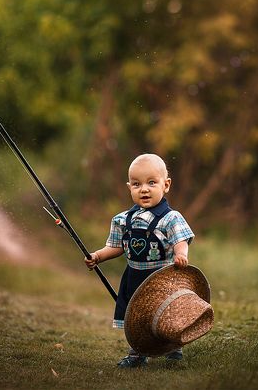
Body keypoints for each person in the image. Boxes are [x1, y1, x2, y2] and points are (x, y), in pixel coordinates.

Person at [85, 153, 195, 368]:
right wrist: (97, 256)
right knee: (136, 317)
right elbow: (115, 247)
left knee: (166, 313)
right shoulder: (123, 219)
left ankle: (173, 348)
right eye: (137, 184)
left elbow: (180, 240)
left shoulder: (171, 218)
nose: (144, 189)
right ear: (130, 188)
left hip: (162, 278)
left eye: (151, 183)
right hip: (134, 278)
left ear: (166, 185)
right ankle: (137, 352)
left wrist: (181, 254)